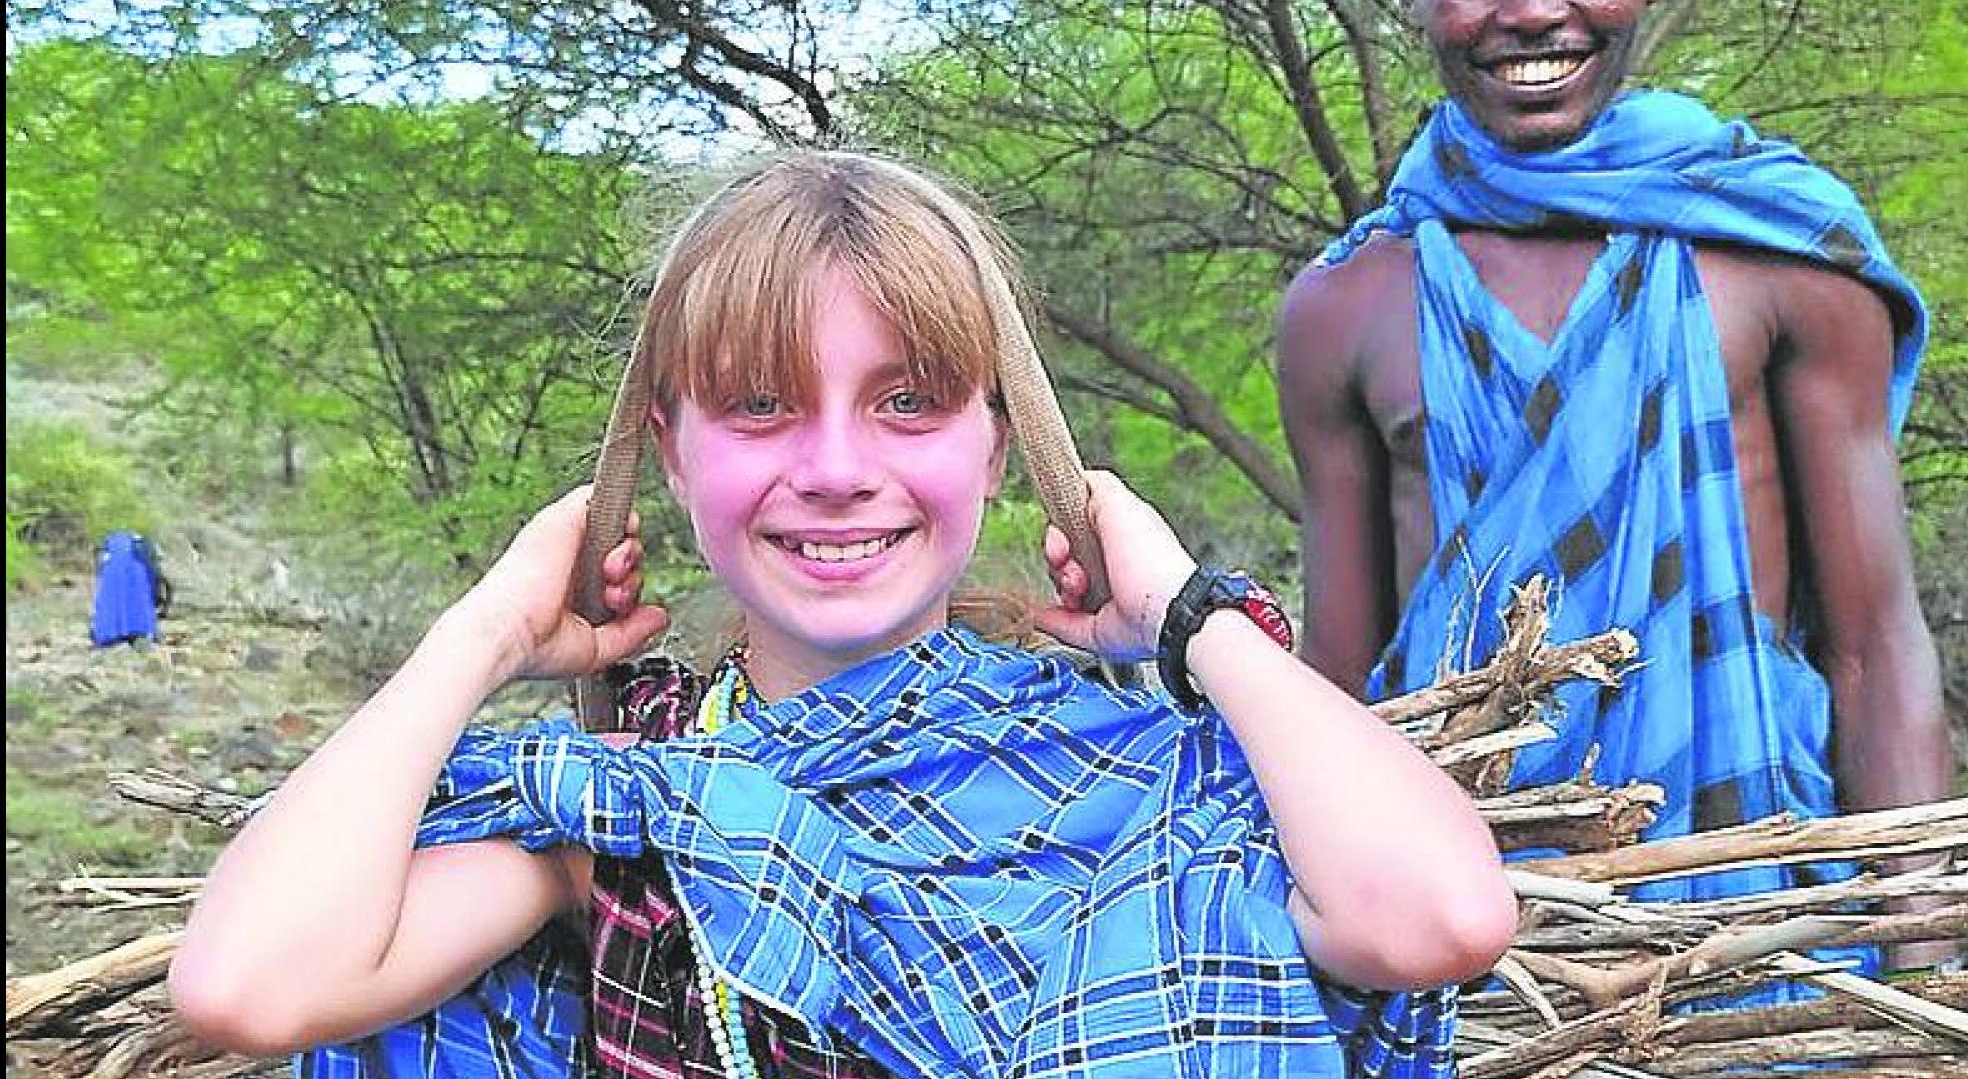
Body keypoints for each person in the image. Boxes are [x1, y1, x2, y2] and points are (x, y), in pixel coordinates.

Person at [172, 151, 1516, 1078]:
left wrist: (1190, 616)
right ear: (670, 449)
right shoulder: (622, 808)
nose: (832, 466)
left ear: (998, 449)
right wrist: (480, 637)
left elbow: (1439, 920)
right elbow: (252, 987)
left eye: (910, 402)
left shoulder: (1135, 774)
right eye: (758, 405)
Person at [1276, 0, 1946, 954]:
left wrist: (1923, 970)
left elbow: (1874, 644)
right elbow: (1341, 693)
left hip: (1764, 905)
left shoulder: (1778, 251)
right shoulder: (1348, 305)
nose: (1534, 12)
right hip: (1475, 944)